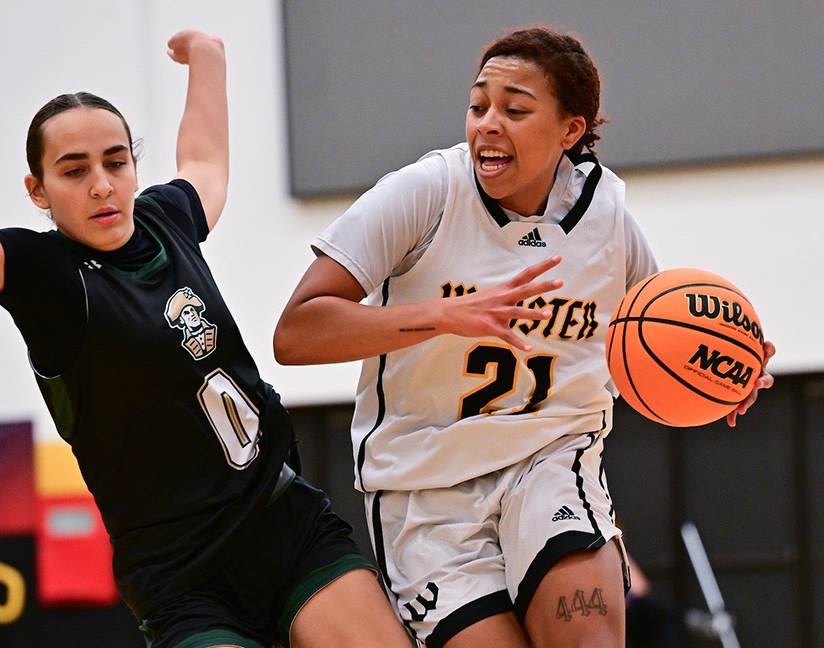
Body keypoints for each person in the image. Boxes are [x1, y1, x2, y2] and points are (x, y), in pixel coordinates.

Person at [0, 31, 414, 648]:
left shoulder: (167, 219)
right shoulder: (47, 277)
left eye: (115, 162)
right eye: (73, 170)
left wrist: (208, 57)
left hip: (281, 523)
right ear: (37, 190)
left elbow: (205, 159)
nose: (101, 184)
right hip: (182, 575)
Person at [274, 25, 776, 648]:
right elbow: (295, 332)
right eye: (478, 104)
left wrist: (726, 369)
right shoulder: (425, 193)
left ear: (570, 130)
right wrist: (443, 316)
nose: (488, 123)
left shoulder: (605, 219)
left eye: (514, 109)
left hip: (550, 459)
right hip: (428, 490)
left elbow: (663, 332)